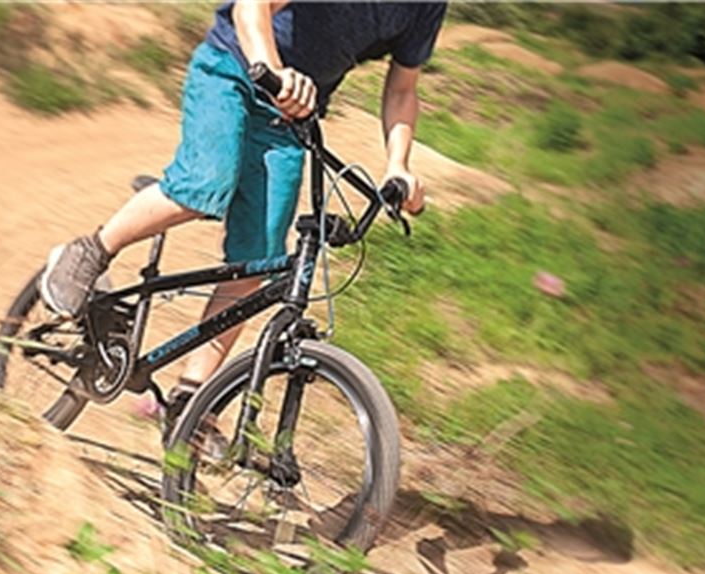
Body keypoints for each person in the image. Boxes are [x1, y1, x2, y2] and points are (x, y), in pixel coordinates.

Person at [39, 0, 446, 427]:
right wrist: (273, 70)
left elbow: (402, 89)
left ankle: (190, 401)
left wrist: (398, 166)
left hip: (287, 122)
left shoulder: (425, 6)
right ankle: (88, 252)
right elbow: (252, 7)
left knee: (256, 263)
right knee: (204, 185)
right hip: (231, 73)